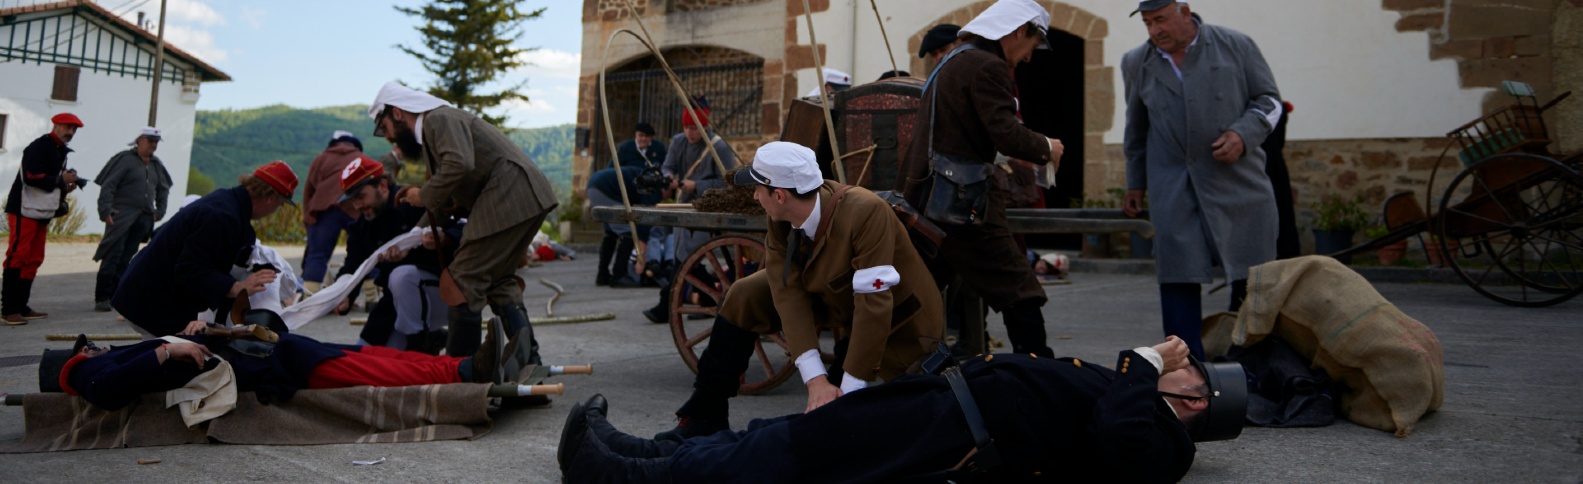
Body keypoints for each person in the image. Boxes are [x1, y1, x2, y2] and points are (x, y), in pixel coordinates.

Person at [559, 336, 1247, 482]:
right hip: (944, 403)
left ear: (1192, 399)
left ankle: (618, 476)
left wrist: (1141, 363)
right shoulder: (1145, 403)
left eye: (1183, 370)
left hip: (955, 431)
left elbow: (1119, 433)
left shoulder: (1163, 440)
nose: (1169, 364)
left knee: (792, 453)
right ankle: (648, 451)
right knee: (794, 432)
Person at [656, 141, 944, 439]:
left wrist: (847, 388)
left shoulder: (865, 212)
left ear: (779, 195)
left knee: (855, 424)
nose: (754, 196)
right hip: (839, 301)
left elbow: (874, 306)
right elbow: (787, 293)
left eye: (758, 189)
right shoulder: (780, 219)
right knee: (744, 293)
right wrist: (815, 379)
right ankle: (705, 413)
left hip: (900, 323)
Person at [895, 0, 1065, 358]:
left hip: (930, 197)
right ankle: (1038, 373)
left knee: (910, 293)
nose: (1030, 57)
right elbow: (1006, 134)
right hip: (960, 204)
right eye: (1032, 46)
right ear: (1019, 32)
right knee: (1019, 288)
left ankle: (849, 368)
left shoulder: (955, 60)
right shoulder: (988, 65)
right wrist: (1047, 147)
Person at [1120, 0, 1282, 358]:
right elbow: (1136, 128)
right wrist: (1136, 184)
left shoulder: (1236, 45)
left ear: (1184, 11)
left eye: (1161, 19)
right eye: (1147, 23)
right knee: (1177, 272)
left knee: (1252, 275)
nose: (1154, 30)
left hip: (1239, 182)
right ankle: (1186, 368)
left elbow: (1269, 101)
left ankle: (1250, 365)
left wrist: (1243, 134)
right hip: (1171, 184)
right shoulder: (1137, 62)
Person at [369, 81, 559, 362]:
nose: (388, 138)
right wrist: (413, 238)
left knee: (460, 280)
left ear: (397, 113)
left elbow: (459, 164)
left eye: (384, 128)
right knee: (497, 281)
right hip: (524, 196)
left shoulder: (437, 118)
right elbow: (452, 188)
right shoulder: (437, 127)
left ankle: (460, 379)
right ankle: (530, 366)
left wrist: (423, 194)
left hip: (510, 195)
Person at [47, 312, 515, 412]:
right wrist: (170, 349)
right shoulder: (88, 374)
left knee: (363, 354)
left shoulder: (98, 362)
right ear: (75, 360)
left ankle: (459, 363)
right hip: (260, 370)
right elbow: (108, 392)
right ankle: (462, 371)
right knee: (361, 366)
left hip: (256, 356)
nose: (94, 348)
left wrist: (199, 331)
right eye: (87, 349)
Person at [112, 161, 297, 337]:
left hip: (147, 294)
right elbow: (190, 269)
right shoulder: (222, 216)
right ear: (271, 197)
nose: (275, 210)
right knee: (181, 360)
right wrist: (238, 287)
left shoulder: (228, 204)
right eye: (279, 205)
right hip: (151, 301)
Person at [334, 155, 460, 354]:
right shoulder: (361, 228)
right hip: (396, 304)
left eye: (360, 196)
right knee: (369, 357)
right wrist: (343, 294)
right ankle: (429, 339)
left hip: (445, 294)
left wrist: (444, 238)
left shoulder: (415, 203)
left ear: (382, 186)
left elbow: (461, 227)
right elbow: (353, 265)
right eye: (353, 200)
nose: (357, 206)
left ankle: (421, 345)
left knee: (402, 276)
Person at [641, 99, 737, 322]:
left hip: (709, 207)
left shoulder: (719, 146)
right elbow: (668, 166)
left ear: (704, 126)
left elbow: (727, 182)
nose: (690, 133)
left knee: (686, 258)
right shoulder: (678, 142)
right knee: (683, 258)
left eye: (694, 128)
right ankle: (707, 298)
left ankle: (666, 304)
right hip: (684, 205)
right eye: (686, 127)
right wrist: (669, 178)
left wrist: (698, 185)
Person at [3, 113, 85, 325]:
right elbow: (31, 176)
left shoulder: (58, 150)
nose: (71, 132)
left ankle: (21, 306)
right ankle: (9, 309)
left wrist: (65, 183)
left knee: (34, 258)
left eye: (74, 130)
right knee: (17, 255)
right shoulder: (40, 146)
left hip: (39, 210)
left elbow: (47, 178)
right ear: (56, 125)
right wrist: (60, 180)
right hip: (24, 208)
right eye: (68, 127)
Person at [92, 127, 174, 312]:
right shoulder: (124, 160)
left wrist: (159, 211)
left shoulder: (156, 165)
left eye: (156, 141)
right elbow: (108, 185)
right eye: (150, 140)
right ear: (139, 140)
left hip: (143, 218)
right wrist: (105, 210)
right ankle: (102, 297)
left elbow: (164, 189)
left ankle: (116, 296)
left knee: (127, 257)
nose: (153, 145)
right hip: (121, 216)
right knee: (113, 255)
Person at [301, 131, 365, 295]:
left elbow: (309, 188)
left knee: (317, 255)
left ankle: (309, 299)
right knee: (365, 250)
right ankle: (372, 298)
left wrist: (308, 214)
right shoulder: (360, 158)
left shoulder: (321, 158)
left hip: (324, 209)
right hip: (355, 209)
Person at [588, 164, 663, 286]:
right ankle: (619, 275)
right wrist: (641, 257)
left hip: (594, 184)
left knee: (611, 232)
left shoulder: (643, 174)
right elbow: (645, 220)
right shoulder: (654, 186)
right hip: (607, 189)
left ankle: (602, 276)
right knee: (628, 232)